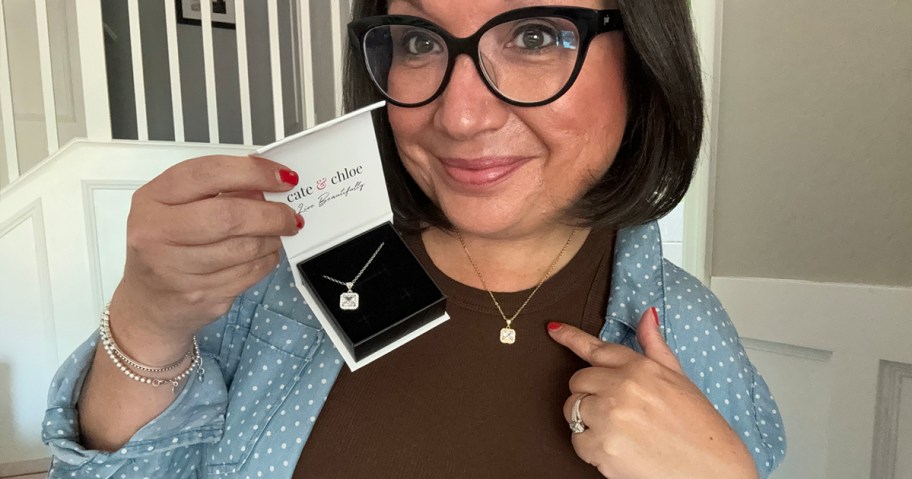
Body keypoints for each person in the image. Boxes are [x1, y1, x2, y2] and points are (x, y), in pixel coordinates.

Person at [43, 0, 786, 477]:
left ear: (644, 56)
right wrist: (147, 322)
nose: (459, 116)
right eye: (419, 40)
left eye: (533, 36)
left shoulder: (689, 334)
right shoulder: (284, 291)